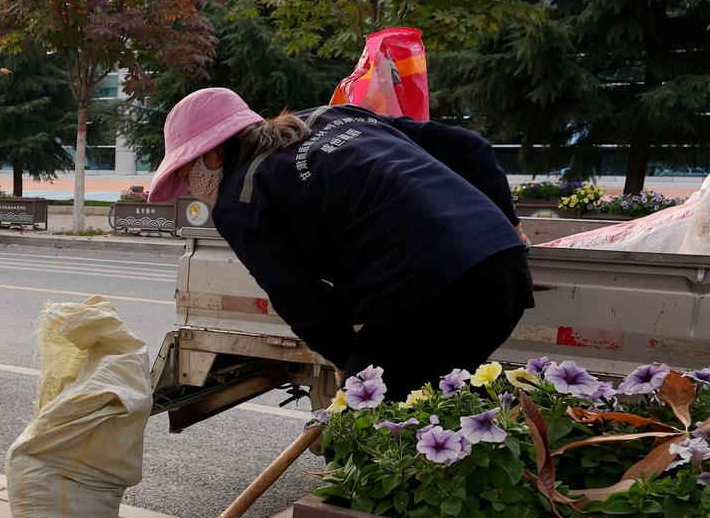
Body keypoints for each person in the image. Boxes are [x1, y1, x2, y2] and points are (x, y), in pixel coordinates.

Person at [147, 88, 532, 395]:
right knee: (436, 403)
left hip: (427, 296)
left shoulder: (240, 199)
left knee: (360, 431)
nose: (189, 186)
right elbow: (470, 147)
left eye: (186, 171)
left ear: (214, 154)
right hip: (504, 268)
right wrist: (509, 223)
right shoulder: (335, 116)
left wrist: (349, 363)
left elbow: (300, 301)